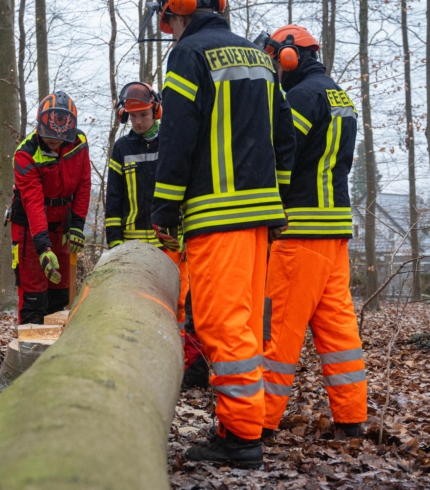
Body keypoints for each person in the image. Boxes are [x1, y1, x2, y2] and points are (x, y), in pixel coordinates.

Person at [151, 0, 296, 469]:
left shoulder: (190, 54)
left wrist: (165, 206)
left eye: (168, 19)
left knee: (219, 324)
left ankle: (240, 437)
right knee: (248, 321)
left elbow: (177, 133)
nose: (168, 29)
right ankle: (242, 424)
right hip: (259, 217)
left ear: (179, 11)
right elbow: (285, 135)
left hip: (218, 214)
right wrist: (278, 199)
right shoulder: (257, 56)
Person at [255, 25, 366, 440]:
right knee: (338, 327)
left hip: (302, 228)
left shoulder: (300, 97)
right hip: (336, 228)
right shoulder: (339, 95)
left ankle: (258, 423)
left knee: (278, 326)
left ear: (290, 56)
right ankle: (352, 418)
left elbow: (285, 150)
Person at [104, 82, 206, 389]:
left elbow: (187, 191)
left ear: (156, 110)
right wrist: (115, 240)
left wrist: (187, 234)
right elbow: (114, 196)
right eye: (132, 117)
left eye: (143, 115)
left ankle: (188, 366)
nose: (138, 122)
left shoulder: (172, 142)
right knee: (137, 304)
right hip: (134, 244)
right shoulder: (122, 148)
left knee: (182, 304)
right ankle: (140, 360)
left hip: (171, 241)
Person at [10, 92, 91, 325]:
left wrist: (77, 225)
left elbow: (84, 184)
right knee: (34, 294)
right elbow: (33, 203)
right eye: (50, 136)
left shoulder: (79, 143)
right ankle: (28, 350)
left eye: (61, 136)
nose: (55, 141)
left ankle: (55, 351)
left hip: (62, 224)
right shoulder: (26, 154)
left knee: (60, 292)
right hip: (30, 225)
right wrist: (43, 247)